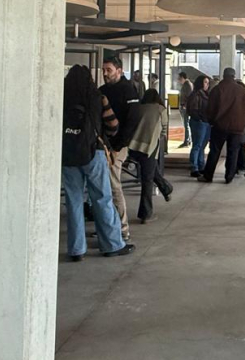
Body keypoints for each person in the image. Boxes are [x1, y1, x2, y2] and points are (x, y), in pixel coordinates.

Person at [62, 65, 132, 260]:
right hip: (93, 152)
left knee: (74, 201)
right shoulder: (98, 97)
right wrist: (102, 134)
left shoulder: (62, 97)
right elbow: (113, 125)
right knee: (102, 198)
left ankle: (76, 250)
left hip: (68, 155)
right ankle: (112, 245)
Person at [100, 58, 139, 240]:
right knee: (104, 187)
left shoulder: (128, 90)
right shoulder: (102, 91)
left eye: (109, 70)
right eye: (103, 70)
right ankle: (109, 225)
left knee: (114, 186)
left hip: (117, 147)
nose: (105, 73)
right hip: (103, 145)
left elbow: (132, 121)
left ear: (120, 71)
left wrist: (117, 147)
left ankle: (122, 229)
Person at [126, 89, 174, 224]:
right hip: (149, 147)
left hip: (133, 146)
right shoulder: (160, 110)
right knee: (147, 180)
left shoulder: (138, 108)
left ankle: (166, 188)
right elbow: (164, 129)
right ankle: (146, 214)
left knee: (151, 171)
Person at [201, 67, 245, 184]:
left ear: (223, 76)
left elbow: (210, 109)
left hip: (220, 126)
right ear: (234, 76)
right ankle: (229, 176)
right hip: (237, 127)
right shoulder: (242, 91)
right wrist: (244, 122)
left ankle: (208, 175)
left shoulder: (217, 89)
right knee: (233, 152)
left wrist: (212, 122)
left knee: (214, 151)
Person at [186, 74, 211, 178]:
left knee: (202, 146)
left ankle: (201, 166)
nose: (207, 85)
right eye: (205, 82)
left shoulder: (205, 94)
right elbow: (192, 109)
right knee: (197, 145)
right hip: (199, 122)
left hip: (205, 122)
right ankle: (194, 167)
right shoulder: (196, 95)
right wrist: (200, 118)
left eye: (208, 83)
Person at [177, 71, 193, 146]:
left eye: (179, 78)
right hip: (184, 106)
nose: (178, 80)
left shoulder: (187, 85)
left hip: (185, 107)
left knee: (186, 124)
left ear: (183, 78)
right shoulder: (186, 84)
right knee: (186, 124)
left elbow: (190, 97)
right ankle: (188, 139)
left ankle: (187, 140)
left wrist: (185, 105)